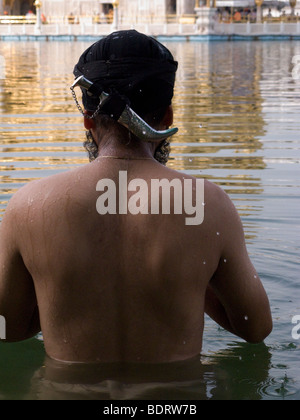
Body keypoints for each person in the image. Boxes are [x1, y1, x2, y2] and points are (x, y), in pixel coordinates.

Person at [0, 30, 272, 364]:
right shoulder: (209, 205)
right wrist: (190, 279)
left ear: (88, 119)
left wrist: (62, 288)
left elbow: (7, 329)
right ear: (168, 117)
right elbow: (256, 329)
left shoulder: (27, 207)